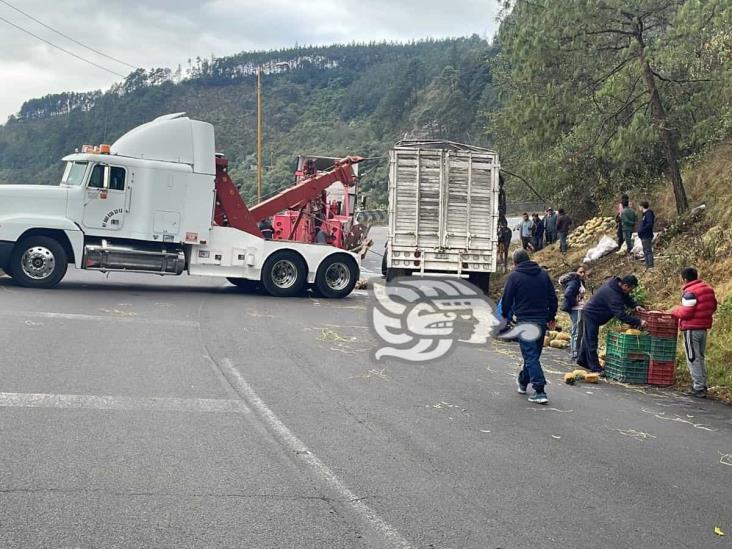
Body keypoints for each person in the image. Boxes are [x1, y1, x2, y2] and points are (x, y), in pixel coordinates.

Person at [500, 249, 558, 405]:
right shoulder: (543, 275)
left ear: (515, 262)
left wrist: (505, 315)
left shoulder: (514, 277)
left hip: (525, 321)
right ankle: (523, 381)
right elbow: (552, 298)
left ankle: (539, 390)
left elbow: (507, 299)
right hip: (541, 321)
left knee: (530, 356)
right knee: (533, 355)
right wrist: (551, 316)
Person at [576, 275, 645, 372]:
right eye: (631, 289)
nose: (631, 291)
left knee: (588, 339)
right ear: (625, 286)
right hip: (591, 315)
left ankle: (582, 360)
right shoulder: (613, 294)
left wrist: (635, 305)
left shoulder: (616, 287)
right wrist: (639, 321)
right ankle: (595, 367)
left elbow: (625, 297)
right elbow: (621, 315)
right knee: (591, 341)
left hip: (594, 314)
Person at [670, 267, 717, 398]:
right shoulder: (708, 289)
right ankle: (703, 384)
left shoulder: (690, 292)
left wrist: (675, 310)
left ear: (684, 279)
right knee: (700, 357)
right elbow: (713, 306)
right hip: (703, 329)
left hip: (691, 329)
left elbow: (686, 313)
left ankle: (698, 387)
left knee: (692, 358)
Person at [560, 266, 587, 361]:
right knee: (577, 331)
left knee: (579, 331)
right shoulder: (574, 282)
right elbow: (568, 294)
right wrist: (575, 302)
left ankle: (576, 351)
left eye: (584, 272)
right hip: (577, 309)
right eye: (580, 272)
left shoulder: (580, 281)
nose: (582, 274)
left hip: (580, 308)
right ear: (576, 272)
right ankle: (575, 353)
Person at [638, 201, 655, 268]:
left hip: (647, 235)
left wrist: (642, 230)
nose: (639, 208)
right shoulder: (644, 214)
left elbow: (649, 224)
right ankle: (647, 264)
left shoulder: (648, 214)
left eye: (639, 206)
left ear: (642, 206)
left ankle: (650, 265)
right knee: (645, 250)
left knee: (648, 250)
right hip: (643, 235)